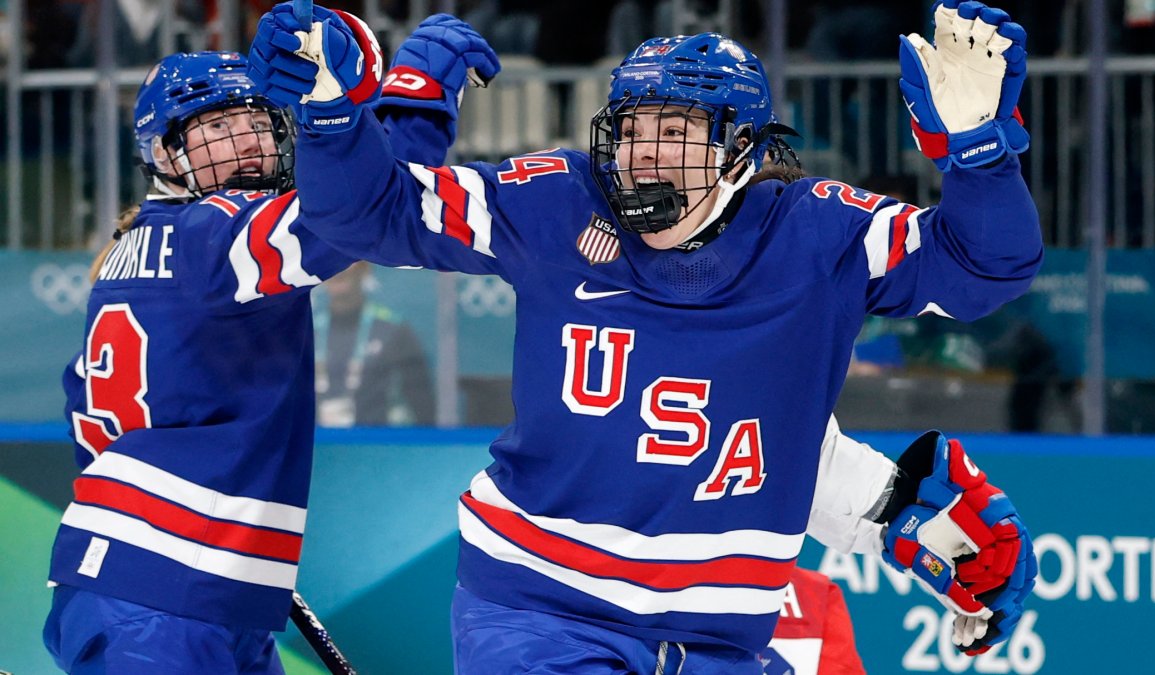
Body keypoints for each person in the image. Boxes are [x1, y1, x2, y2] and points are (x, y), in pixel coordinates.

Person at [250, 0, 1040, 671]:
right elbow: (368, 215)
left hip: (718, 639)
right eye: (632, 129)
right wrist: (332, 119)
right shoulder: (555, 202)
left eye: (676, 130)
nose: (644, 154)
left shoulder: (821, 235)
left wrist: (980, 156)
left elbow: (984, 268)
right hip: (540, 613)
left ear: (739, 147)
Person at [41, 12, 500, 671]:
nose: (248, 140)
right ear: (165, 154)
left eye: (257, 121)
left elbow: (85, 415)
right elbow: (359, 211)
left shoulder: (133, 247)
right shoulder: (214, 232)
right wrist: (414, 103)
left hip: (173, 577)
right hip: (164, 593)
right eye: (218, 126)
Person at [313, 261, 436, 426]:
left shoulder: (394, 330)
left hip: (379, 438)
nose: (339, 271)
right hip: (319, 439)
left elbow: (423, 406)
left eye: (346, 259)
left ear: (365, 269)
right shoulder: (309, 332)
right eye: (331, 259)